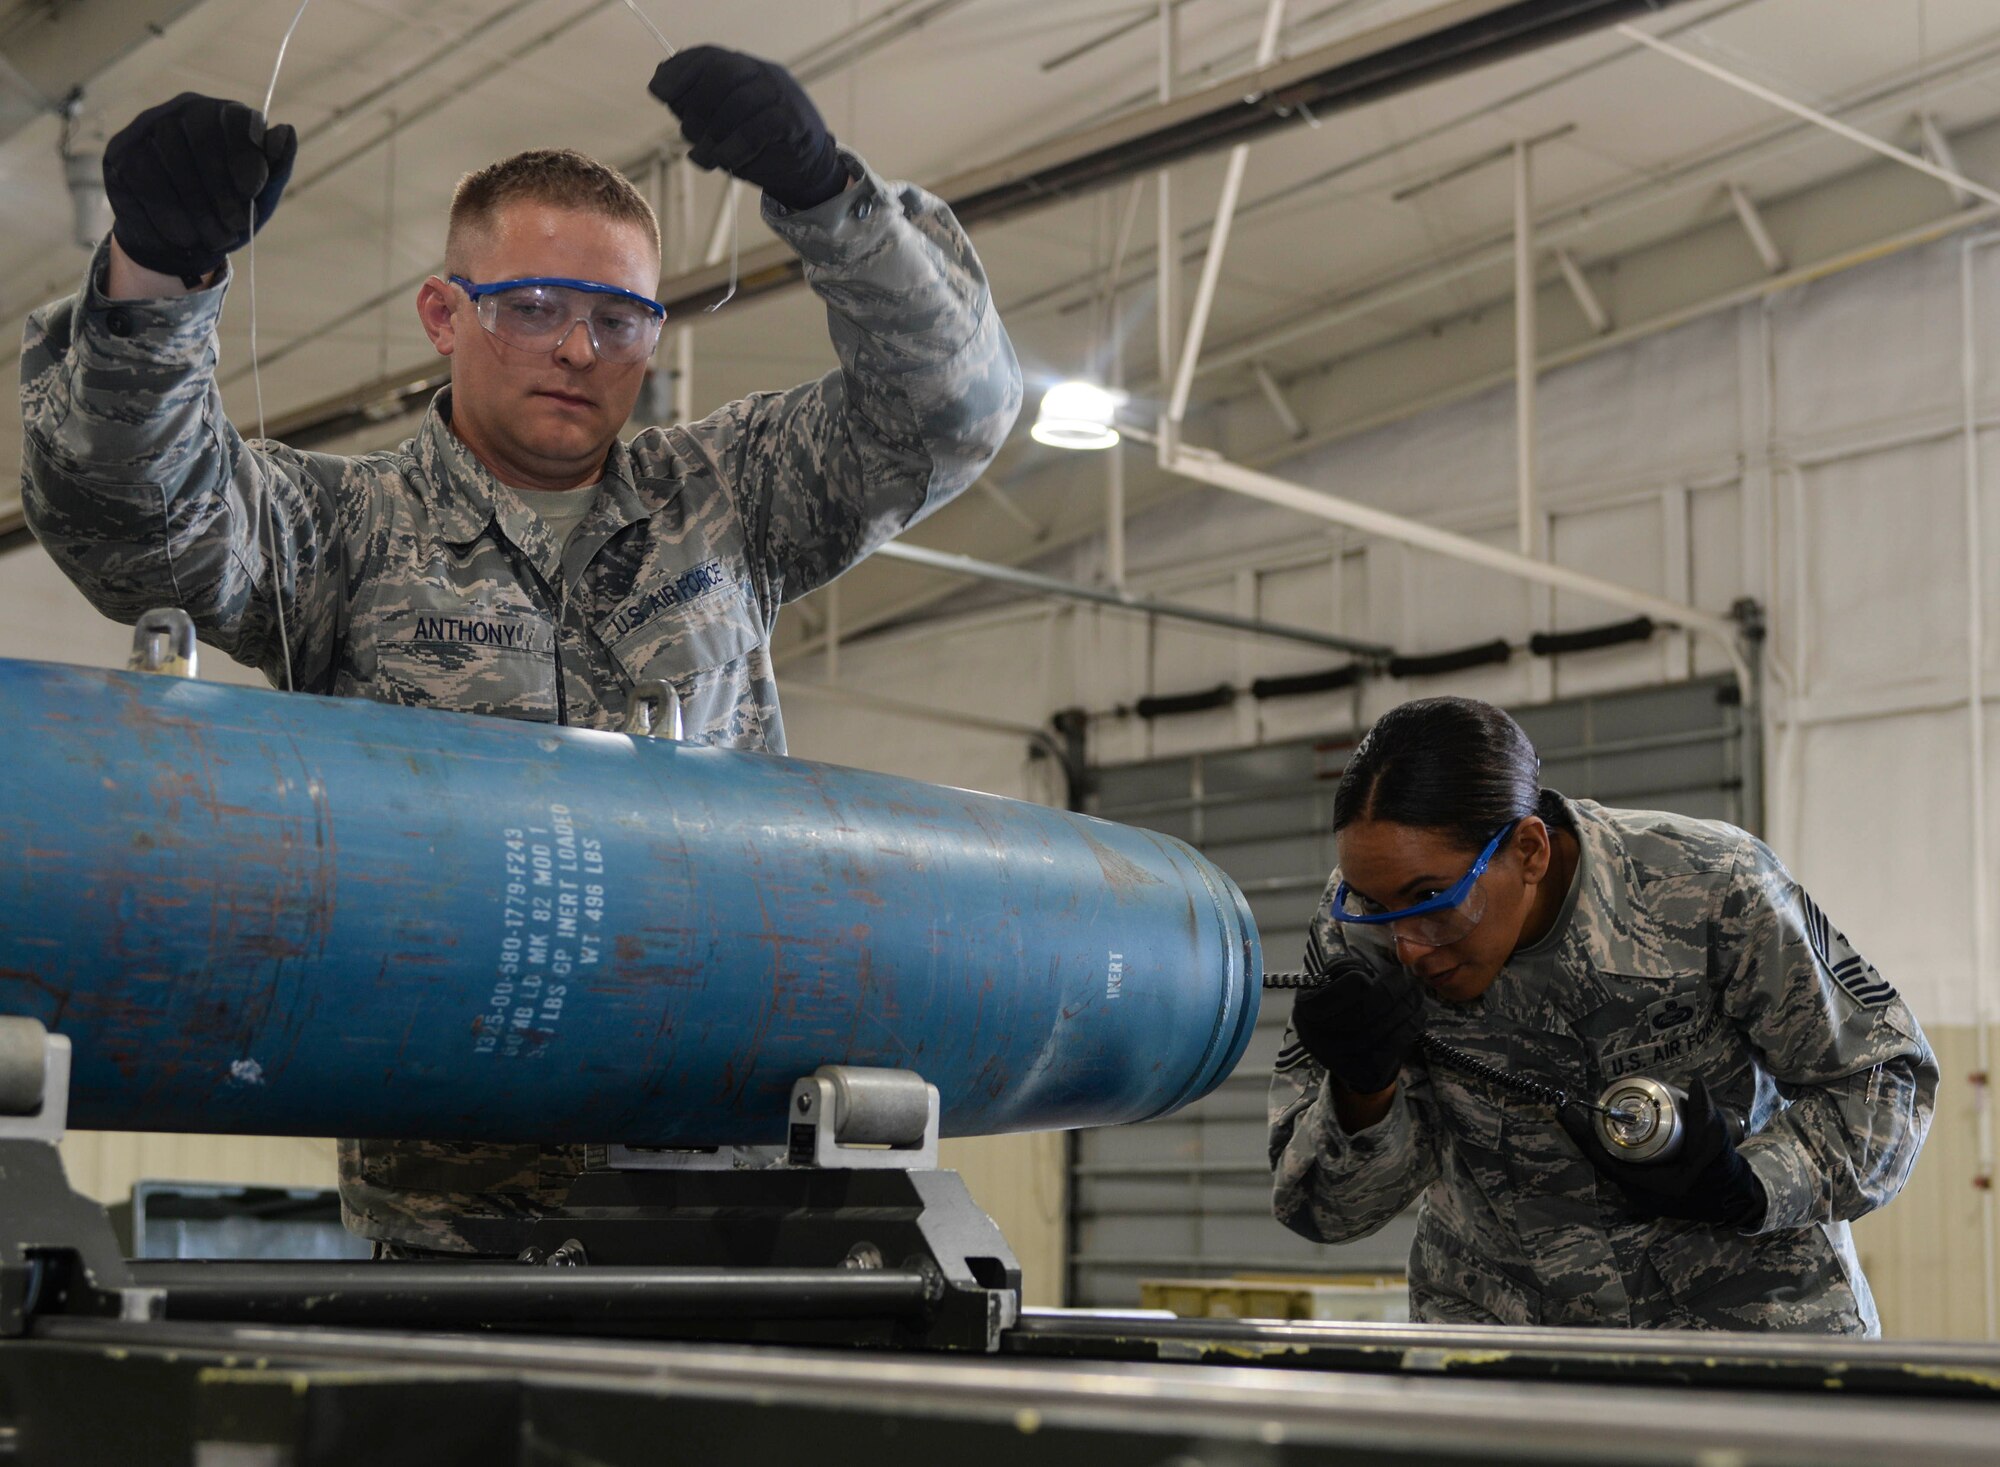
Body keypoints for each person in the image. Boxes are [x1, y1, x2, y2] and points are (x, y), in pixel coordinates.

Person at [19, 48, 1021, 1255]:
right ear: (445, 313)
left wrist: (829, 203)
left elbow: (951, 412)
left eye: (619, 318)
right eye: (534, 307)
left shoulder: (734, 498)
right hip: (454, 1231)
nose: (578, 351)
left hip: (732, 1203)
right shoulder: (342, 532)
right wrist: (156, 279)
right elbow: (135, 523)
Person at [1268, 696, 1935, 1334]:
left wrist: (1748, 1184)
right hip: (1508, 1341)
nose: (1408, 944)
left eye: (1433, 897)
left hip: (1741, 1323)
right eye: (1374, 903)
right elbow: (1324, 1210)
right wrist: (1363, 1090)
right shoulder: (1359, 932)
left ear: (1530, 850)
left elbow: (1886, 1081)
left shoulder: (1708, 886)